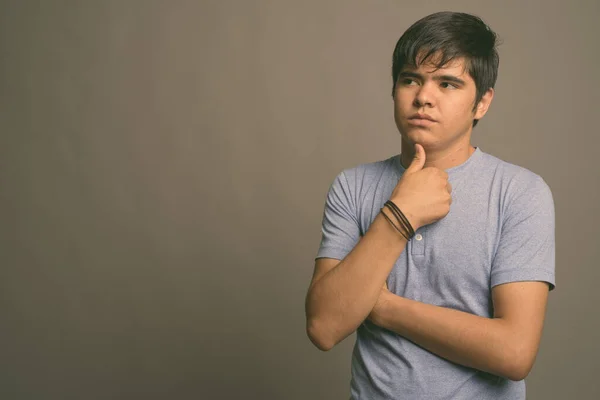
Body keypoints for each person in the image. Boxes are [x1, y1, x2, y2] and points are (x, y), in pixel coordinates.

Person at [304, 11, 555, 400]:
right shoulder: (353, 186)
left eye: (448, 83)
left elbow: (515, 352)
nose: (423, 96)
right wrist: (399, 216)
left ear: (482, 103)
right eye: (410, 79)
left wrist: (382, 307)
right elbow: (324, 326)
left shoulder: (520, 192)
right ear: (394, 90)